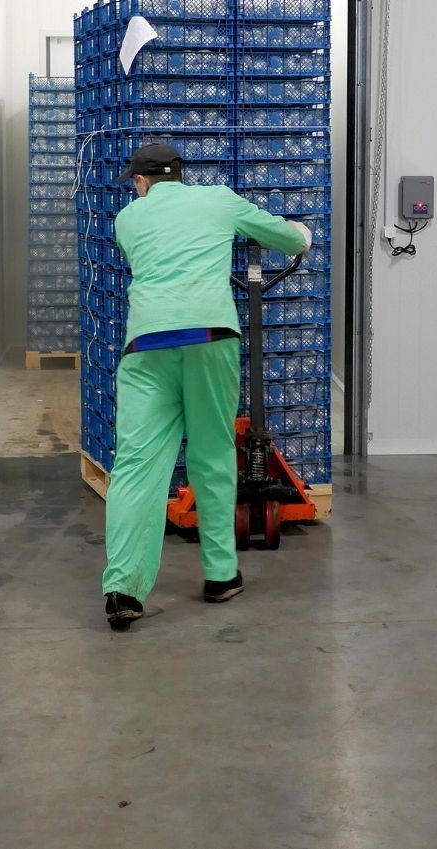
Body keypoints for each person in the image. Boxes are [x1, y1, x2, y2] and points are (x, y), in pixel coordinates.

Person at [102, 141, 311, 632]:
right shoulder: (219, 199)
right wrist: (299, 234)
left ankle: (123, 589)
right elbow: (289, 239)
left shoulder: (127, 219)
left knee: (135, 466)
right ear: (181, 175)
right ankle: (220, 575)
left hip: (147, 344)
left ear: (141, 182)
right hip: (211, 337)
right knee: (212, 454)